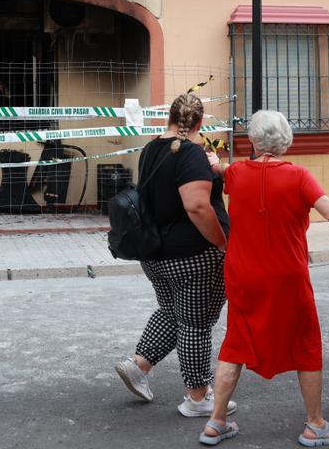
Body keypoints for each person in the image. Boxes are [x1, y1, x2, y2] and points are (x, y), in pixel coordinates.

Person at [198, 110, 329, 447]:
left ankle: (215, 422)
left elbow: (225, 170)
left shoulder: (238, 173)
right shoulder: (299, 176)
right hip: (287, 277)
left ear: (254, 142)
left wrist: (215, 162)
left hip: (243, 275)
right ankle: (314, 424)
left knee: (235, 344)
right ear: (285, 142)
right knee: (305, 343)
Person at [115, 91, 235, 419]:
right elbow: (196, 205)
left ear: (169, 117)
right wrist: (222, 242)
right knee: (196, 324)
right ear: (198, 122)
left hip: (155, 254)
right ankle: (198, 396)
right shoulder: (192, 154)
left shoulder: (152, 149)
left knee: (172, 313)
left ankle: (138, 366)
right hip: (194, 256)